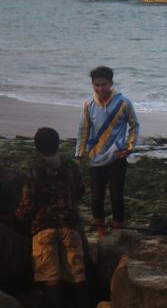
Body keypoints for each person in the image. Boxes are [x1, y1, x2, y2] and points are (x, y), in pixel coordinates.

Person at [16, 127, 89, 308]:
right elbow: (81, 190)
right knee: (77, 275)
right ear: (58, 144)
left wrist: (15, 217)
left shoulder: (34, 169)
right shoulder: (70, 165)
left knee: (50, 277)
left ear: (37, 146)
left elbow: (27, 203)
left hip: (44, 228)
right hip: (71, 226)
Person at [76, 65, 138, 238]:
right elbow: (84, 129)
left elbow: (134, 124)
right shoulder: (88, 105)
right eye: (96, 85)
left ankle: (117, 232)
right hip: (96, 158)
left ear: (111, 83)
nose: (100, 88)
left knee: (116, 196)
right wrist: (80, 153)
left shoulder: (124, 103)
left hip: (118, 158)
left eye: (104, 84)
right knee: (96, 197)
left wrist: (130, 147)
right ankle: (101, 233)